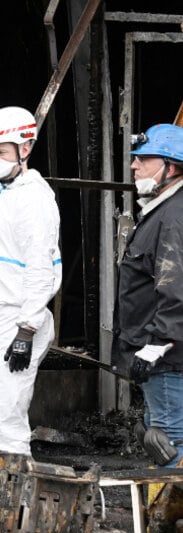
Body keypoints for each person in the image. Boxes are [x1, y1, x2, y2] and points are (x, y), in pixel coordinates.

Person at [0, 106, 62, 457]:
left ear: (26, 147)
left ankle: (15, 502)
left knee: (6, 421)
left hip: (17, 319)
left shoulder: (34, 200)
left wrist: (27, 330)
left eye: (1, 151)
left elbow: (40, 269)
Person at [112, 123, 183, 467]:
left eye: (144, 158)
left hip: (168, 359)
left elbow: (176, 288)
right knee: (163, 438)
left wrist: (156, 345)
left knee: (168, 442)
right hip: (162, 356)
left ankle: (170, 518)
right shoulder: (161, 210)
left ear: (171, 166)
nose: (134, 166)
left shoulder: (174, 216)